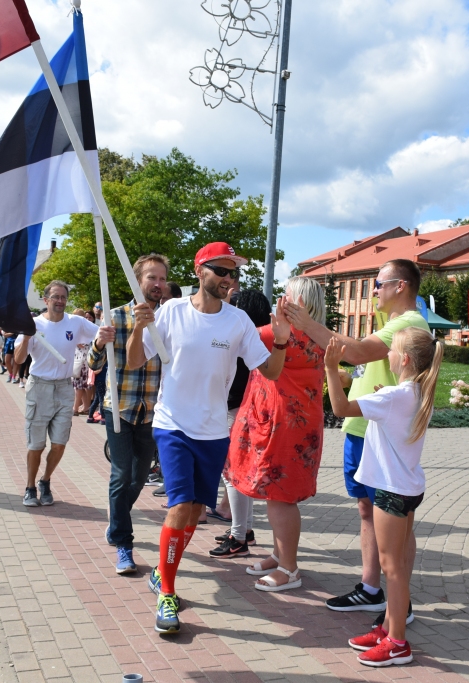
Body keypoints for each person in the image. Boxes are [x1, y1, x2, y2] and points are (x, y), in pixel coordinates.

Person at [126, 241, 290, 635]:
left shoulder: (238, 321)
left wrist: (282, 340)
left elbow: (270, 371)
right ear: (200, 271)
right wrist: (138, 327)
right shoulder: (171, 312)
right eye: (221, 270)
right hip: (173, 424)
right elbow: (133, 360)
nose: (229, 278)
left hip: (214, 431)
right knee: (181, 506)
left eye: (234, 272)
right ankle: (167, 592)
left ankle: (162, 572)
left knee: (196, 511)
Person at [285, 259, 429, 626]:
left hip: (378, 433)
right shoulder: (389, 320)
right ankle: (371, 589)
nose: (374, 290)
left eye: (379, 283)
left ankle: (399, 604)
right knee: (368, 510)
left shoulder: (409, 323)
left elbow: (358, 352)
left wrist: (306, 323)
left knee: (397, 521)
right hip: (362, 427)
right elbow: (365, 361)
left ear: (400, 286)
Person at [325, 326, 443, 667]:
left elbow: (340, 407)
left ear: (403, 359)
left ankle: (397, 643)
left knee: (392, 569)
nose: (386, 353)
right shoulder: (415, 391)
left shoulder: (394, 397)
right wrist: (383, 396)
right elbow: (393, 413)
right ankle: (390, 629)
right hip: (408, 488)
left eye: (392, 349)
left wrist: (331, 368)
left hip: (391, 492)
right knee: (399, 566)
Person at [219, 278, 327, 594]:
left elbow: (231, 337)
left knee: (280, 499)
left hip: (282, 425)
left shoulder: (277, 334)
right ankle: (280, 557)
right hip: (301, 423)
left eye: (287, 296)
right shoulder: (321, 335)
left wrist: (224, 306)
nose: (280, 300)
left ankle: (289, 569)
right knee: (281, 496)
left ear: (299, 303)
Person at [89, 254, 168, 574]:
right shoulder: (115, 316)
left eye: (162, 278)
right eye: (152, 277)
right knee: (121, 475)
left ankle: (116, 518)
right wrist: (98, 343)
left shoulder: (169, 319)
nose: (158, 284)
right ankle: (124, 543)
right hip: (119, 409)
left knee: (138, 478)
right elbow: (94, 365)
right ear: (137, 281)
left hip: (152, 411)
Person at [14, 280, 114, 507]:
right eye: (56, 297)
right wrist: (27, 336)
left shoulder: (75, 323)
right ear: (46, 300)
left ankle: (45, 480)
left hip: (64, 388)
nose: (60, 301)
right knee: (36, 444)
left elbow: (102, 334)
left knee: (59, 443)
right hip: (39, 387)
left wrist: (111, 327)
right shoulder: (34, 324)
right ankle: (30, 487)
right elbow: (19, 359)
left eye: (63, 297)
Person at [209, 290, 273, 547]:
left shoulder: (240, 336)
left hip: (234, 410)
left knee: (232, 473)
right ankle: (245, 529)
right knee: (242, 472)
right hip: (251, 410)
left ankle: (238, 535)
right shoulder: (264, 339)